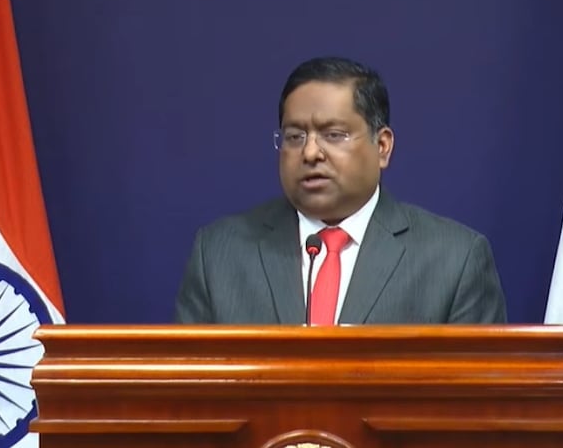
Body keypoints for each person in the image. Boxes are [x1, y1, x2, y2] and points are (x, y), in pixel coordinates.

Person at [174, 56, 507, 324]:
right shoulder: (219, 254)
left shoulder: (454, 260)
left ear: (382, 146)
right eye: (295, 136)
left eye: (333, 135)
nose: (310, 152)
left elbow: (476, 388)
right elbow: (188, 384)